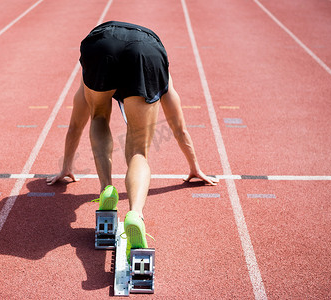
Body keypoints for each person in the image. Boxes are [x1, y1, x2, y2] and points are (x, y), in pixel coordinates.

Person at [47, 21, 218, 259]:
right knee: (138, 149)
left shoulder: (90, 73)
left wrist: (66, 165)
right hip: (146, 50)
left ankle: (106, 188)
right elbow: (179, 127)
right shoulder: (163, 73)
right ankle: (135, 214)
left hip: (101, 43)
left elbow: (76, 123)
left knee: (98, 117)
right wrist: (194, 166)